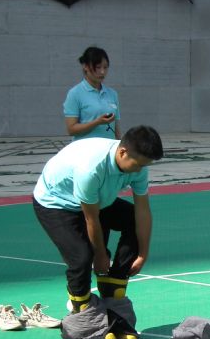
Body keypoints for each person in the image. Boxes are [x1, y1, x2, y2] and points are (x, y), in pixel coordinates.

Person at [33, 125, 164, 312]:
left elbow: (142, 212)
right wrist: (100, 255)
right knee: (82, 257)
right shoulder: (90, 169)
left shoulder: (138, 167)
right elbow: (91, 218)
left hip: (97, 200)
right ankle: (81, 310)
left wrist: (142, 254)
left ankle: (113, 288)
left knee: (132, 219)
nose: (139, 171)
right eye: (137, 165)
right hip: (57, 204)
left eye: (144, 166)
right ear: (123, 152)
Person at [64, 46, 121, 141]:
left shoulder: (112, 94)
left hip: (108, 147)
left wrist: (120, 143)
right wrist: (97, 122)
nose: (102, 72)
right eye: (98, 67)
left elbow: (116, 126)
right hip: (85, 148)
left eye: (105, 67)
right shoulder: (75, 94)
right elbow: (71, 129)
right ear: (85, 66)